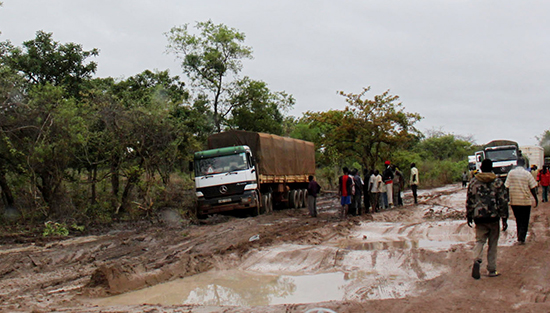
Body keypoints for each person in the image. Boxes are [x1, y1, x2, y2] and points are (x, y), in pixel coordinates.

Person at [466, 159, 509, 279]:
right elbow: (503, 201)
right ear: (491, 168)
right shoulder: (498, 182)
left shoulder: (474, 182)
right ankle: (491, 269)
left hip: (479, 217)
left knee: (480, 241)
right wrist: (504, 218)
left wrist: (469, 215)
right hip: (494, 217)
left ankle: (477, 259)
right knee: (493, 244)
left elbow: (470, 200)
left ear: (481, 168)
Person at [505, 158, 538, 245]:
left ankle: (520, 236)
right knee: (525, 220)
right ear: (524, 164)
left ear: (516, 163)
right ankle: (521, 237)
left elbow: (506, 187)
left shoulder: (511, 173)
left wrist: (507, 198)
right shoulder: (527, 174)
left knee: (518, 219)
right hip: (525, 201)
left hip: (514, 201)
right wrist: (536, 198)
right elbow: (533, 187)